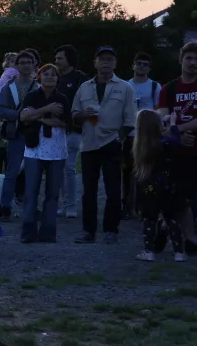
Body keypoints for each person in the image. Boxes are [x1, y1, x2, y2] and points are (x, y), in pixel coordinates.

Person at [71, 46, 137, 244]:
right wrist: (84, 115)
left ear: (115, 64)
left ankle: (111, 230)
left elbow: (130, 120)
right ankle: (88, 231)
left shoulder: (125, 88)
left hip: (112, 143)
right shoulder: (84, 87)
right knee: (89, 190)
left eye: (110, 59)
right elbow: (74, 115)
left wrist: (120, 139)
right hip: (89, 144)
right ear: (95, 63)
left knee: (112, 189)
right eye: (102, 59)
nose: (106, 62)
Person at [158, 41, 197, 251]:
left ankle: (165, 226)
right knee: (176, 194)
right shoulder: (169, 89)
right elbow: (162, 121)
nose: (193, 63)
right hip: (173, 152)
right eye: (189, 58)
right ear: (180, 60)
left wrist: (180, 130)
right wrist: (176, 135)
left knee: (188, 195)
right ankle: (189, 238)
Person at [19, 64, 70, 243]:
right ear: (39, 77)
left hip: (56, 151)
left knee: (52, 193)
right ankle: (28, 232)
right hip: (34, 150)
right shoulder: (32, 96)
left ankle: (48, 232)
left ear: (57, 79)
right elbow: (24, 117)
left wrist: (37, 117)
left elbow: (65, 122)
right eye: (46, 74)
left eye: (54, 75)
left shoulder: (62, 98)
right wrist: (46, 111)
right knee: (31, 192)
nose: (50, 77)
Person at [132, 110, 187, 262]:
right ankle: (179, 252)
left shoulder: (142, 145)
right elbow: (176, 141)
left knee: (149, 219)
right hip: (168, 187)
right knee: (172, 219)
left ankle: (149, 251)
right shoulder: (164, 142)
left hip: (149, 188)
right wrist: (173, 124)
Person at [0, 50, 39, 218]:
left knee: (34, 172)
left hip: (35, 135)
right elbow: (0, 111)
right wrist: (19, 115)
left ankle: (31, 206)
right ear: (16, 65)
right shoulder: (9, 87)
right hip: (16, 134)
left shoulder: (39, 86)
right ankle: (6, 206)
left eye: (30, 62)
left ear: (34, 64)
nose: (26, 65)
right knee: (12, 172)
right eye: (23, 62)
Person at [122, 52, 160, 218]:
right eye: (139, 63)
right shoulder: (125, 86)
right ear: (133, 66)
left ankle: (145, 206)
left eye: (145, 64)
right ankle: (127, 206)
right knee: (127, 172)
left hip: (147, 136)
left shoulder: (155, 87)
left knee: (147, 173)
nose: (142, 66)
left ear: (150, 68)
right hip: (129, 134)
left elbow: (160, 109)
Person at [53, 45, 89, 219]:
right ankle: (65, 204)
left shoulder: (80, 78)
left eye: (60, 58)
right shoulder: (55, 78)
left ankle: (72, 206)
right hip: (55, 129)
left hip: (73, 130)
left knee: (69, 168)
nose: (56, 61)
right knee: (60, 168)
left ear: (69, 59)